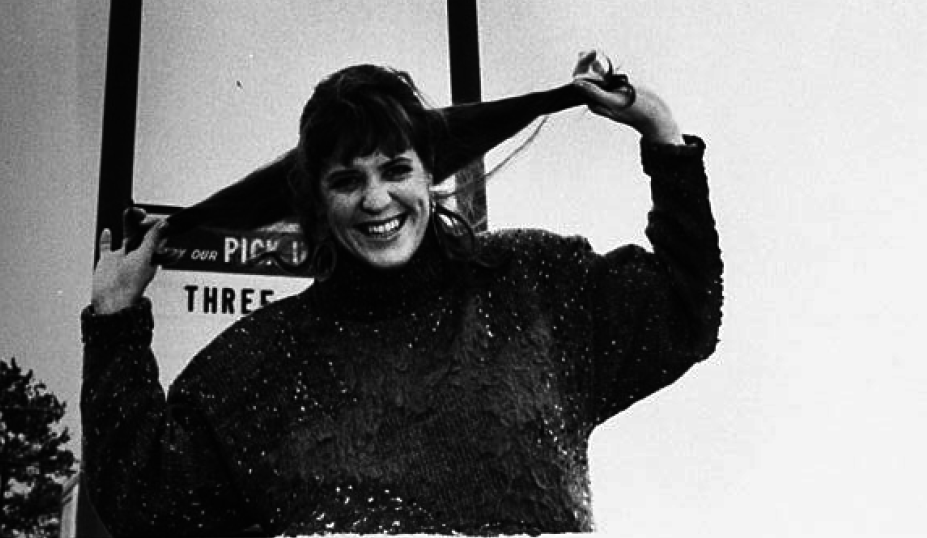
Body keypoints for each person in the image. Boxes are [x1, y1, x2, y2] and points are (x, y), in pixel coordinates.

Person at [81, 52, 722, 536]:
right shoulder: (267, 363)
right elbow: (144, 496)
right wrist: (114, 322)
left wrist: (661, 134)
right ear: (317, 202)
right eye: (346, 180)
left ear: (429, 172)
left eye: (395, 169)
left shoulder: (531, 288)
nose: (376, 199)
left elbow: (684, 312)